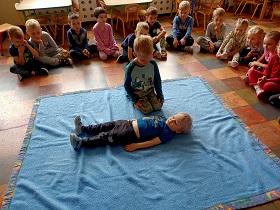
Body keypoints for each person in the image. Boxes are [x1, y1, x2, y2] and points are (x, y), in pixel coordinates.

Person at [69, 112, 193, 151]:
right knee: (104, 126)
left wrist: (137, 146)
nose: (171, 120)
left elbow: (153, 142)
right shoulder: (163, 119)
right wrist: (130, 120)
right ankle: (83, 129)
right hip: (126, 123)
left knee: (104, 137)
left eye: (175, 123)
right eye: (173, 117)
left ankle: (81, 143)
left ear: (178, 131)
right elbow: (145, 119)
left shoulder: (168, 134)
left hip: (128, 134)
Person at [124, 35, 164, 114]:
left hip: (149, 90)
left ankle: (149, 98)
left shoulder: (153, 64)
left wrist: (160, 94)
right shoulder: (130, 68)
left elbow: (157, 80)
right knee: (147, 110)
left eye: (149, 59)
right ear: (135, 55)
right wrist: (135, 100)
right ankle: (130, 97)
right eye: (142, 60)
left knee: (158, 107)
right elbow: (127, 85)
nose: (146, 62)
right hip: (137, 92)